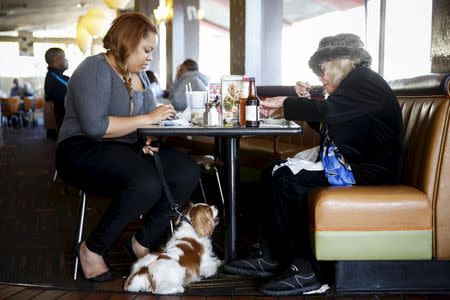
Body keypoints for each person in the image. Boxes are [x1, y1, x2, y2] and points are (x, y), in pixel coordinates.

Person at [224, 33, 404, 296]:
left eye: (322, 70)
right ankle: (273, 255)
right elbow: (328, 123)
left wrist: (285, 104)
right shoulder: (355, 85)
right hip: (353, 163)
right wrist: (290, 105)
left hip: (369, 172)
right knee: (271, 169)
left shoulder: (365, 82)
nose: (321, 77)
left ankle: (306, 271)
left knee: (287, 179)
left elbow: (326, 113)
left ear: (340, 61)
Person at [55, 12, 200, 282]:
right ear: (128, 41)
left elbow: (140, 124)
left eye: (152, 51)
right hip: (81, 149)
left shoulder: (141, 77)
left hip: (123, 150)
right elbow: (95, 127)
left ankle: (142, 241)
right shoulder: (95, 68)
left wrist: (147, 138)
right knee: (145, 182)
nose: (150, 57)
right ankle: (92, 249)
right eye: (146, 50)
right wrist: (146, 119)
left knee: (186, 171)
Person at [44, 47, 69, 131]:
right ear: (56, 60)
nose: (67, 60)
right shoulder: (54, 78)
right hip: (69, 129)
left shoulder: (57, 76)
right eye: (64, 57)